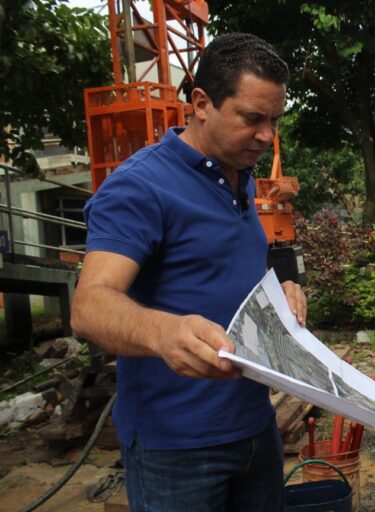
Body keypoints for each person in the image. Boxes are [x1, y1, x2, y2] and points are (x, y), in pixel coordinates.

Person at [71, 33, 306, 512]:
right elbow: (89, 305)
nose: (266, 136)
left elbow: (223, 267)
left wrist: (279, 292)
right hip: (178, 450)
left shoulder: (237, 176)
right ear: (201, 103)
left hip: (257, 428)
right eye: (252, 118)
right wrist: (163, 331)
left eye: (274, 121)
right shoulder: (140, 187)